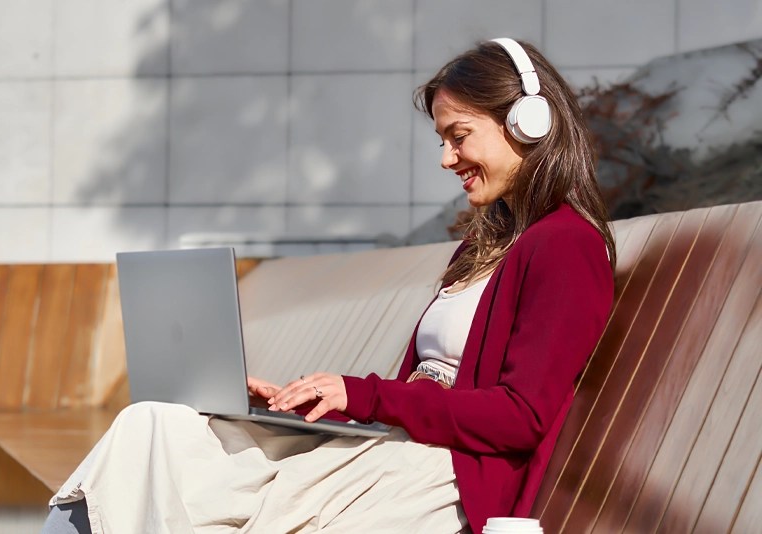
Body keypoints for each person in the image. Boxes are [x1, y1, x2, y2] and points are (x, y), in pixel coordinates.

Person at [42, 38, 615, 534]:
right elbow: (420, 397)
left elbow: (521, 416)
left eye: (458, 136)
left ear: (527, 122)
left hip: (442, 480)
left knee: (160, 466)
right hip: (398, 448)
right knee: (154, 425)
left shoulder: (566, 244)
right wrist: (304, 404)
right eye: (442, 139)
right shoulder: (487, 244)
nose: (447, 158)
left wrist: (362, 395)